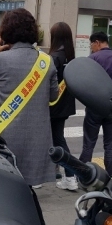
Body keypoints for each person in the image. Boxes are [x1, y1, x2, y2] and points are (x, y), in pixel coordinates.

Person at [0, 8, 58, 225]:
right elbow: (53, 97)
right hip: (35, 141)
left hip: (2, 139)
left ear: (5, 32)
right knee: (26, 191)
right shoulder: (47, 62)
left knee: (0, 189)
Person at [79, 31, 112, 176]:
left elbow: (85, 85)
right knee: (110, 145)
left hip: (95, 107)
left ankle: (84, 175)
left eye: (91, 45)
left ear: (97, 42)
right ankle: (109, 177)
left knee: (88, 144)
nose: (91, 48)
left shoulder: (93, 59)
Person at [48, 22, 78, 191]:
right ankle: (59, 171)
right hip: (65, 105)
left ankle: (71, 175)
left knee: (58, 140)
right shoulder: (69, 56)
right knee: (56, 138)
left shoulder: (54, 58)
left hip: (53, 105)